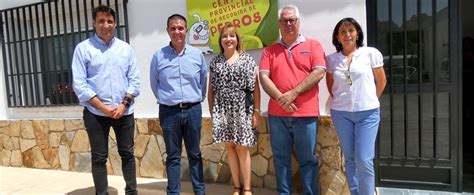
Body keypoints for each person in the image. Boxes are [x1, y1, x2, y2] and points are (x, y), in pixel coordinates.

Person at [71, 4, 140, 195]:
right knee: (99, 157)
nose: (106, 25)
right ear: (94, 23)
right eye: (101, 21)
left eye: (109, 21)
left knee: (127, 154)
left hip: (124, 111)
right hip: (95, 113)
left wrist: (123, 104)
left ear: (115, 23)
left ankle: (131, 192)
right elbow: (80, 85)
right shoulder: (83, 49)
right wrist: (103, 108)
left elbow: (134, 80)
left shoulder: (125, 49)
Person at [259, 5, 326, 195]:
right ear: (279, 24)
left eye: (292, 20)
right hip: (277, 116)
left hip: (306, 114)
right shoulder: (269, 51)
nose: (288, 24)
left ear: (298, 22)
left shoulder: (313, 45)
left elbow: (319, 72)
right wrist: (282, 98)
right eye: (284, 20)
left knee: (308, 160)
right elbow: (264, 77)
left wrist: (292, 93)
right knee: (281, 160)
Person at [325, 17, 387, 195]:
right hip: (341, 113)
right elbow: (331, 86)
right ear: (337, 37)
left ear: (358, 33)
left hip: (367, 114)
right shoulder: (332, 59)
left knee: (364, 159)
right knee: (350, 159)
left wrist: (369, 100)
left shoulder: (370, 53)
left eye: (351, 30)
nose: (347, 34)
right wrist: (342, 100)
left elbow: (381, 81)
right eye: (343, 32)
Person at [149, 14, 207, 195]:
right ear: (168, 31)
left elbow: (203, 82)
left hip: (193, 110)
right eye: (173, 28)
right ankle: (173, 192)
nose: (177, 32)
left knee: (195, 154)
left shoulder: (197, 55)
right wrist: (168, 100)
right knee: (173, 156)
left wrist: (195, 99)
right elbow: (154, 83)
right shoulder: (159, 56)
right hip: (169, 112)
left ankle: (199, 191)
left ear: (186, 30)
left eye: (180, 28)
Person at [207, 24, 261, 195]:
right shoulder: (215, 62)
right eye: (225, 36)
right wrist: (213, 114)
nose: (228, 39)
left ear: (237, 39)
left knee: (242, 147)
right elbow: (211, 91)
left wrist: (257, 112)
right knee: (230, 146)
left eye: (232, 36)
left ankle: (247, 188)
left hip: (243, 108)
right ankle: (236, 187)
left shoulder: (247, 60)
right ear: (220, 40)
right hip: (222, 109)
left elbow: (256, 89)